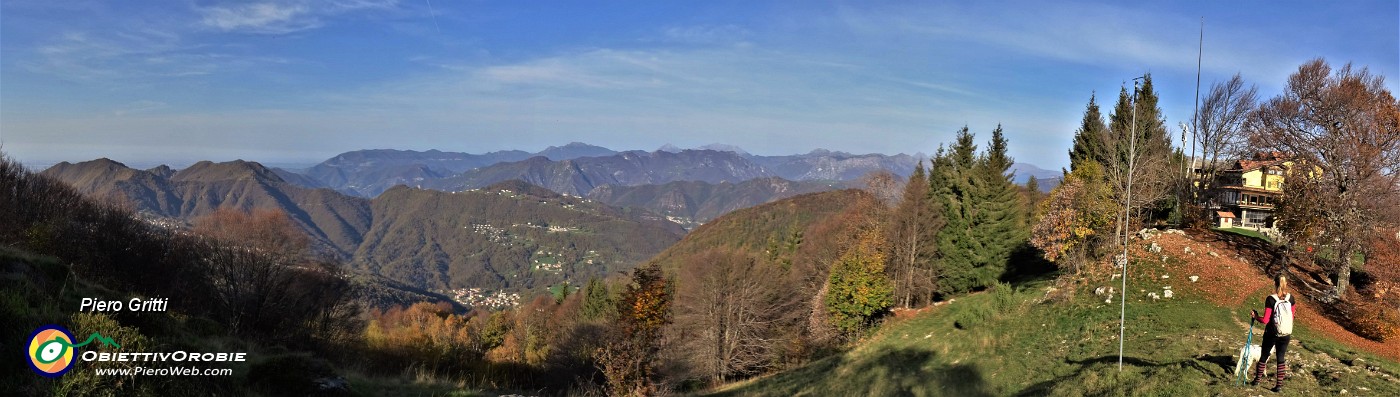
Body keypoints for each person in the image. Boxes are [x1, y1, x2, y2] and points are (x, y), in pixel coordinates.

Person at [1250, 274, 1295, 392]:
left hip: (1271, 333)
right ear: (1286, 284)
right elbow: (1292, 316)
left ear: (1275, 284)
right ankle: (1278, 386)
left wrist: (1255, 316)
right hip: (1286, 333)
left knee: (1264, 356)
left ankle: (1257, 381)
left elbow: (1265, 320)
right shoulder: (1291, 299)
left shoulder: (1270, 299)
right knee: (1281, 358)